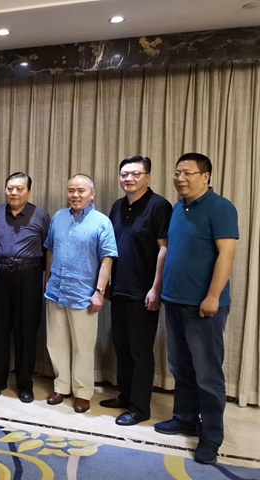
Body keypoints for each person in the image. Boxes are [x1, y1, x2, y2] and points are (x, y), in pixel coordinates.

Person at [155, 153, 238, 465]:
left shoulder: (220, 208)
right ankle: (185, 418)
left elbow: (226, 254)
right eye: (177, 172)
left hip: (204, 307)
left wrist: (213, 296)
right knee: (181, 368)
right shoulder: (179, 207)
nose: (180, 178)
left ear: (206, 176)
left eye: (187, 173)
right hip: (174, 301)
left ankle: (211, 436)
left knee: (208, 375)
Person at [101, 156, 172, 425]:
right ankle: (125, 395)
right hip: (119, 288)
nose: (128, 179)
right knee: (121, 346)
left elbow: (164, 248)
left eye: (135, 174)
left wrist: (156, 288)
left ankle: (140, 409)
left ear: (148, 177)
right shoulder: (118, 206)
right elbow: (111, 247)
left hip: (144, 292)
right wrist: (108, 281)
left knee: (140, 351)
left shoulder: (159, 206)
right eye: (124, 174)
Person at [44, 174, 117, 413]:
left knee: (83, 346)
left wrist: (100, 292)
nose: (75, 195)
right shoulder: (58, 217)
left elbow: (107, 259)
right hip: (56, 291)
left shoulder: (102, 222)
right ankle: (61, 386)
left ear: (92, 194)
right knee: (56, 342)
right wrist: (48, 280)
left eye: (81, 191)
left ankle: (83, 392)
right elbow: (50, 251)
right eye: (71, 190)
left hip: (83, 294)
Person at [0, 172, 50, 403]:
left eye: (19, 189)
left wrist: (46, 278)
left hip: (28, 274)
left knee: (27, 332)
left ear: (28, 192)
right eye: (10, 188)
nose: (13, 193)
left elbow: (48, 250)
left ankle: (24, 384)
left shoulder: (41, 216)